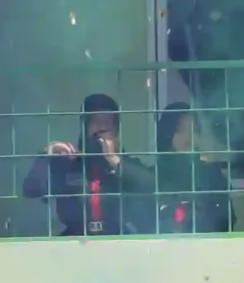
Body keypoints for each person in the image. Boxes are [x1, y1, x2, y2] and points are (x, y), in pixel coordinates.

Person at [20, 92, 151, 236]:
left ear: (117, 129)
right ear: (85, 126)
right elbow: (31, 189)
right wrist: (47, 155)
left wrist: (115, 160)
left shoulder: (126, 164)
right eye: (96, 121)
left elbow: (151, 187)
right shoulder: (69, 162)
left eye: (109, 122)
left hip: (118, 238)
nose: (103, 127)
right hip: (74, 239)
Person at [152, 104, 235, 234]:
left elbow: (227, 219)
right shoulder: (155, 175)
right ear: (168, 134)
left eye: (194, 129)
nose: (188, 136)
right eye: (180, 130)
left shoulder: (212, 173)